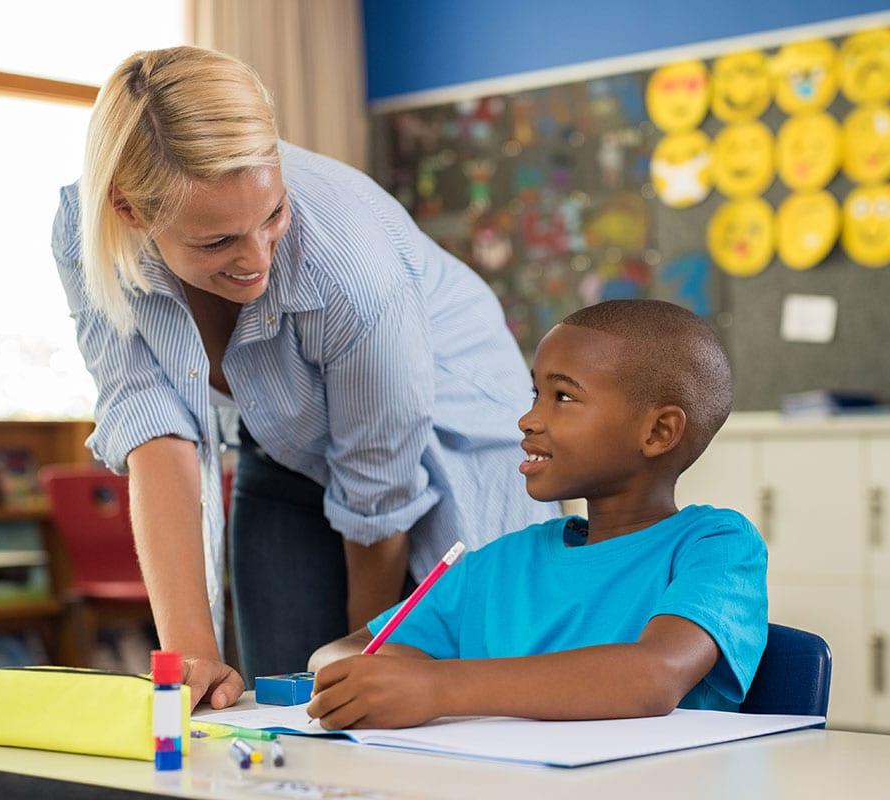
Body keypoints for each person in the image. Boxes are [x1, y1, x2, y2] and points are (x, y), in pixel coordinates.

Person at [50, 46, 555, 708]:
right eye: (217, 243)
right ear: (129, 210)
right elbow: (153, 431)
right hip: (284, 442)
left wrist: (361, 651)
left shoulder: (352, 268)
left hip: (448, 444)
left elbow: (379, 496)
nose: (257, 259)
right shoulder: (86, 233)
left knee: (430, 702)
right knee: (273, 696)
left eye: (273, 215)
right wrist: (192, 656)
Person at [306, 299, 768, 729]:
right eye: (534, 394)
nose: (528, 420)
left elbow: (653, 676)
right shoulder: (502, 562)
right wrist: (374, 678)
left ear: (658, 431)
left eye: (563, 397)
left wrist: (438, 687)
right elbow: (343, 653)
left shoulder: (716, 547)